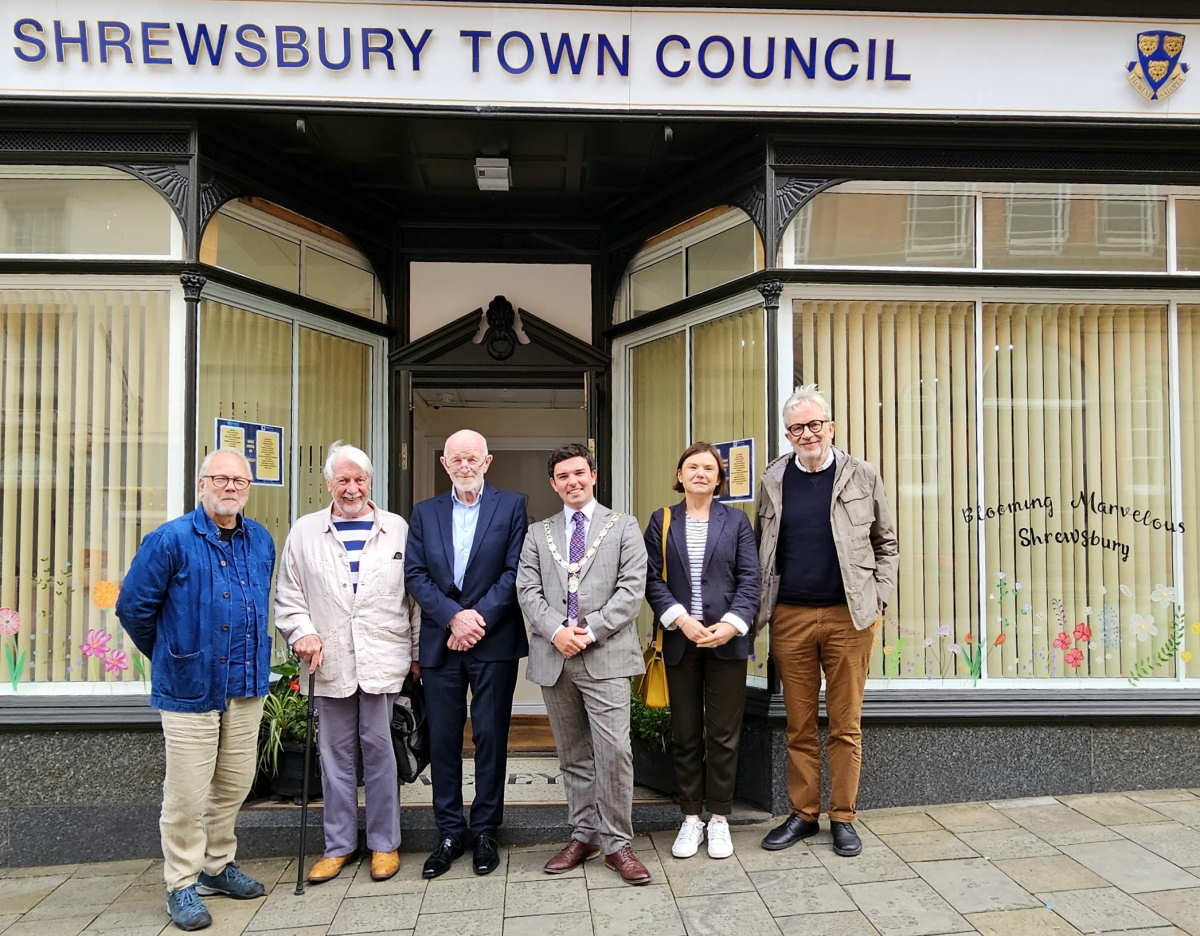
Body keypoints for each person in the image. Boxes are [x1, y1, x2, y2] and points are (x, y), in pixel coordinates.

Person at [116, 448, 275, 932]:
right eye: (221, 479)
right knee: (186, 793)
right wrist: (173, 655)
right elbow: (133, 610)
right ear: (201, 484)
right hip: (190, 690)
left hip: (245, 687)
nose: (231, 488)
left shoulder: (260, 540)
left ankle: (217, 866)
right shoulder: (170, 540)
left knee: (233, 785)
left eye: (240, 481)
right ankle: (181, 882)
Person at [756, 385, 898, 858]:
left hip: (849, 617)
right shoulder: (773, 479)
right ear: (788, 433)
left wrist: (878, 601)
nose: (807, 434)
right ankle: (803, 815)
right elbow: (764, 546)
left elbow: (887, 545)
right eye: (797, 427)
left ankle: (844, 817)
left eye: (815, 424)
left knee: (845, 724)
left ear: (830, 427)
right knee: (798, 724)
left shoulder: (862, 475)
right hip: (790, 616)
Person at [274, 441, 420, 885]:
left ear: (370, 482)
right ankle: (338, 845)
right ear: (328, 484)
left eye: (359, 479)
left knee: (380, 752)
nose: (352, 488)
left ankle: (384, 843)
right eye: (343, 480)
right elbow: (289, 595)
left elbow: (414, 599)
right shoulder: (304, 531)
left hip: (382, 657)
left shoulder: (397, 529)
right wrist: (302, 632)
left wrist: (415, 653)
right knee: (333, 756)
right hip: (328, 658)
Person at [516, 442, 652, 885]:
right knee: (573, 754)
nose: (572, 481)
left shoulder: (624, 526)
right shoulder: (539, 533)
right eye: (563, 476)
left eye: (580, 473)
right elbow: (527, 590)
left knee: (614, 753)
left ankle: (618, 843)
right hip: (555, 657)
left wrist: (588, 630)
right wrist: (557, 630)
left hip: (605, 656)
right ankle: (583, 834)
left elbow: (631, 591)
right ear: (553, 484)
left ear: (593, 475)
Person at [404, 429, 528, 878]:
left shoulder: (512, 506)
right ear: (444, 464)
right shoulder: (424, 513)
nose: (464, 465)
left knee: (492, 737)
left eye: (472, 458)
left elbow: (515, 571)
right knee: (444, 739)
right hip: (442, 640)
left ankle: (487, 830)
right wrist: (453, 617)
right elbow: (415, 575)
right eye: (456, 459)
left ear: (487, 462)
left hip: (493, 641)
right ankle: (450, 832)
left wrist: (476, 620)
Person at [643, 442, 760, 860]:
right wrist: (681, 619)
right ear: (679, 475)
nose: (700, 473)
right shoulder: (662, 520)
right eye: (692, 466)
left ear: (718, 478)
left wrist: (730, 626)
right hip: (681, 640)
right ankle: (691, 818)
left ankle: (720, 819)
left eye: (709, 468)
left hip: (726, 641)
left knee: (724, 734)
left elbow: (751, 579)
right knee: (686, 732)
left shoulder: (737, 522)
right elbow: (651, 578)